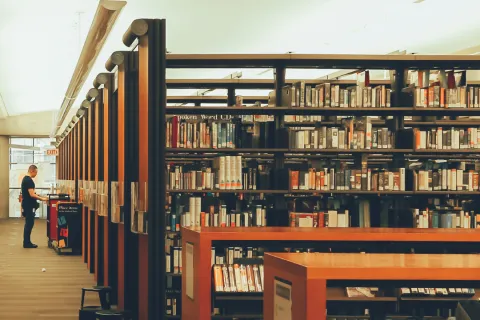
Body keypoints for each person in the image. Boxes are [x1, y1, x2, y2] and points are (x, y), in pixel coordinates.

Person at [21, 165, 48, 248]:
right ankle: (27, 243)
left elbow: (31, 193)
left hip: (26, 204)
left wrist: (40, 196)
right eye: (36, 172)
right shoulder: (29, 181)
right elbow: (32, 194)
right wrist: (42, 199)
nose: (36, 174)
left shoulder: (25, 179)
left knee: (28, 223)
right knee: (29, 224)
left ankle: (27, 242)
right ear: (32, 171)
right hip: (29, 206)